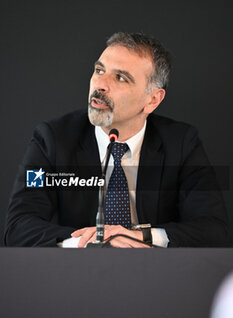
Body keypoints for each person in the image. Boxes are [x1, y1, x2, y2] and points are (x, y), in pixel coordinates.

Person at [4, 32, 231, 248]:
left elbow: (213, 229)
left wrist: (140, 236)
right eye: (99, 70)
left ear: (152, 100)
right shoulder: (52, 139)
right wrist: (89, 242)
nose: (100, 84)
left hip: (156, 274)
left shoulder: (181, 143)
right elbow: (18, 226)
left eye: (120, 78)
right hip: (78, 272)